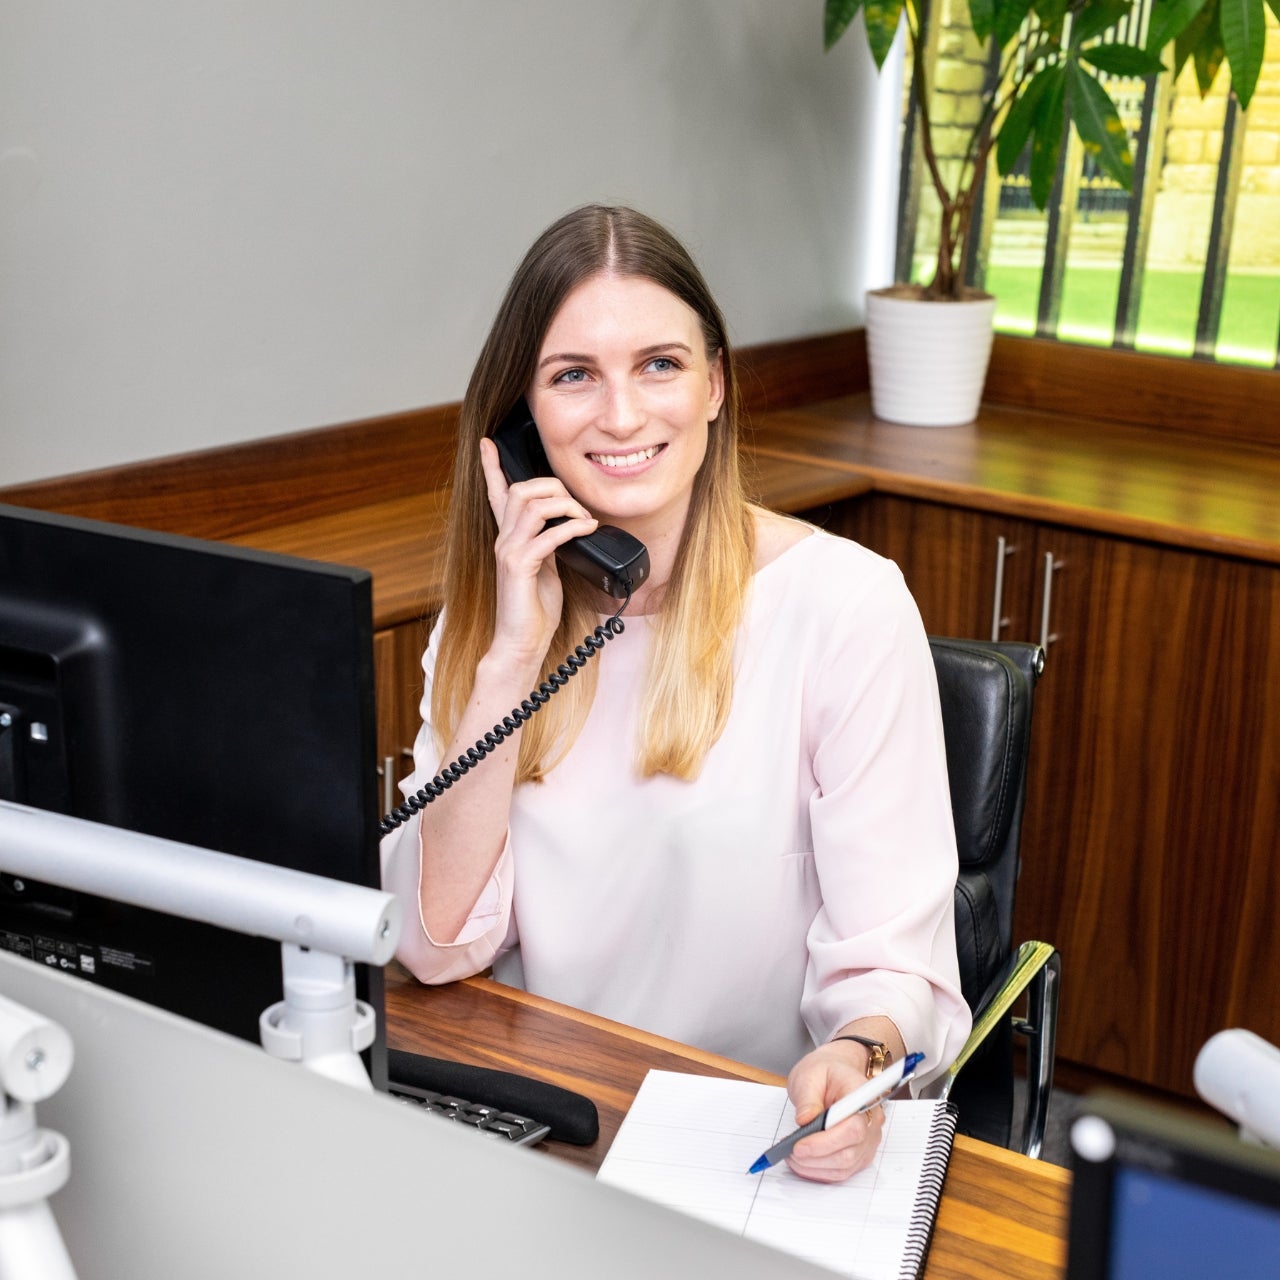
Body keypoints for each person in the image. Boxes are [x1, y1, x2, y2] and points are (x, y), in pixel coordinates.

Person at [380, 204, 970, 1183]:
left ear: (714, 386)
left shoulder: (843, 609)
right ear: (517, 428)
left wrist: (854, 1058)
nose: (620, 416)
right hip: (539, 1127)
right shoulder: (495, 630)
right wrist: (510, 659)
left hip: (749, 1140)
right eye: (574, 376)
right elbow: (436, 944)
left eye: (659, 364)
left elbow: (893, 969)